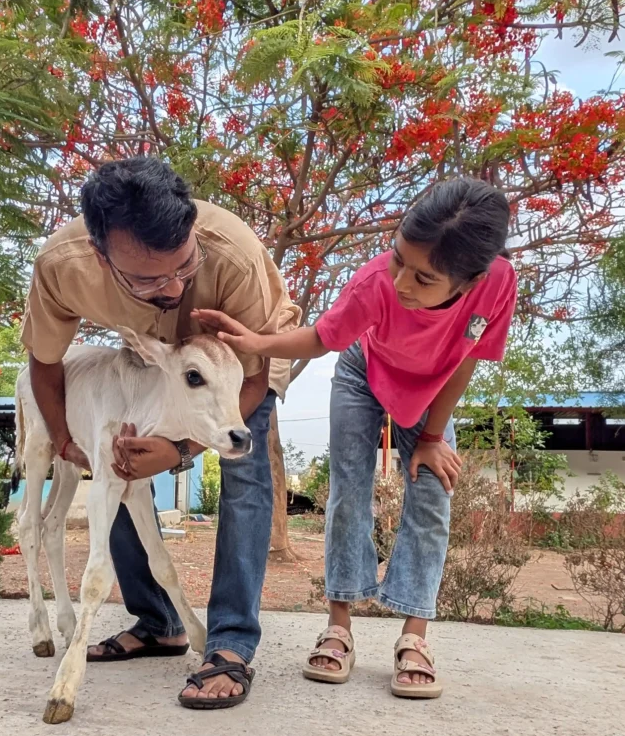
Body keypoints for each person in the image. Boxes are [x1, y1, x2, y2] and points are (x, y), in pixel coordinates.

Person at [194, 178, 517, 698]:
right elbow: (322, 338)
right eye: (398, 259)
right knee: (349, 491)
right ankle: (339, 625)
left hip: (431, 389)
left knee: (434, 494)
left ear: (471, 279)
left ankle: (414, 637)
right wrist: (257, 341)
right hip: (362, 373)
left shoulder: (498, 284)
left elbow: (468, 360)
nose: (402, 282)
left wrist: (433, 435)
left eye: (424, 277)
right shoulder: (377, 284)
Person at [21, 157, 300, 709]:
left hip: (235, 369)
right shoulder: (63, 265)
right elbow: (46, 360)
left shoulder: (234, 257)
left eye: (184, 267)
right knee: (121, 458)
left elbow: (255, 376)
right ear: (103, 257)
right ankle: (158, 623)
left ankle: (230, 644)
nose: (173, 287)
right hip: (147, 365)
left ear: (193, 230)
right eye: (149, 278)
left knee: (242, 468)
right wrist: (68, 444)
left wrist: (180, 450)